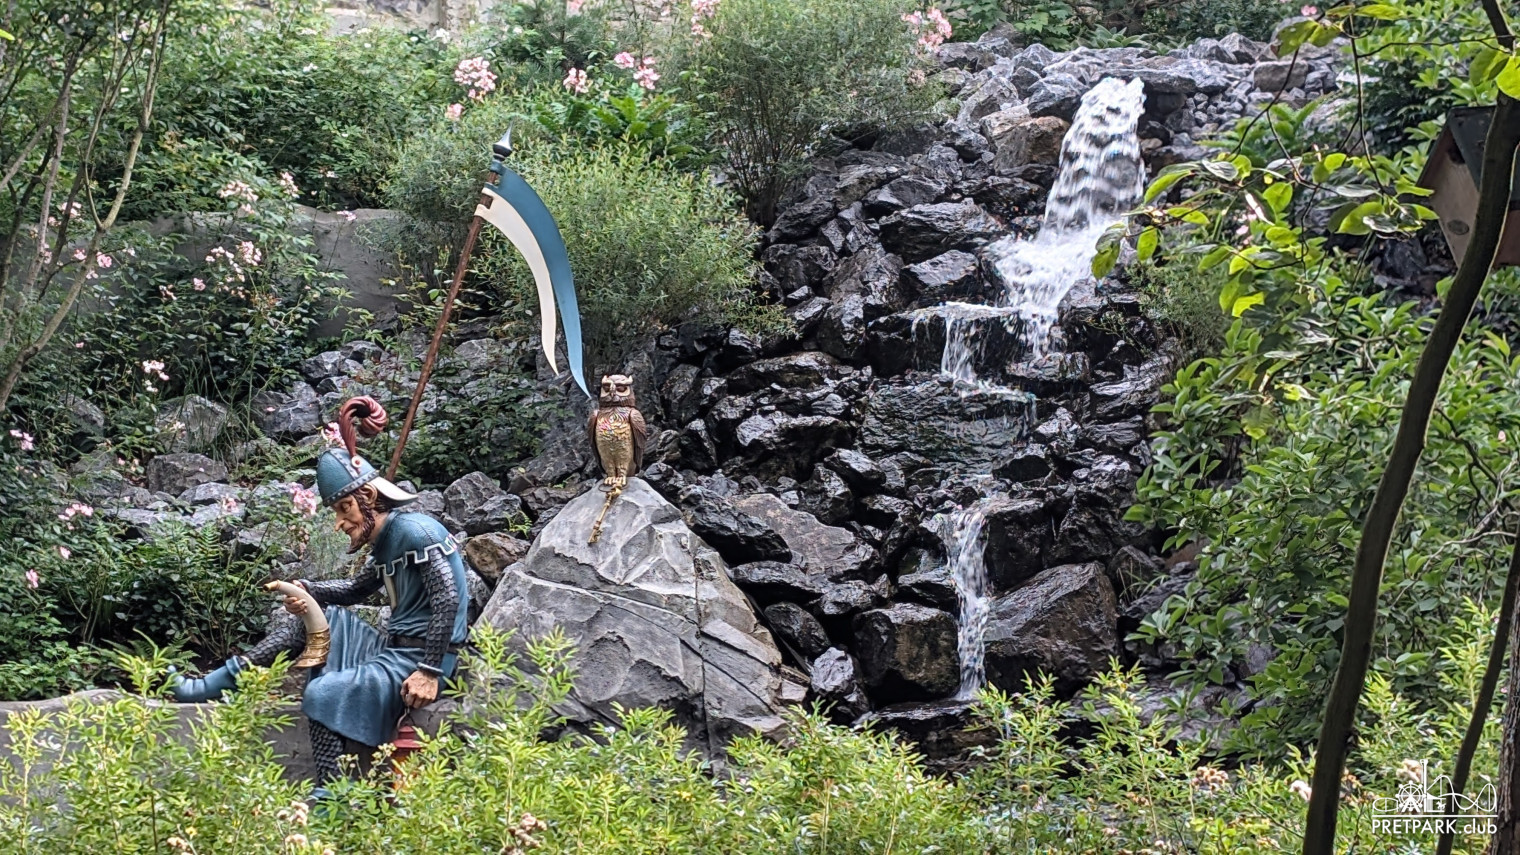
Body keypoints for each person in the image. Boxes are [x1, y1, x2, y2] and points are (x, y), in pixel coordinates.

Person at [170, 396, 469, 797]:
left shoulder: (416, 531)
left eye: (345, 508)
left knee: (322, 691)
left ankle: (333, 795)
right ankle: (217, 683)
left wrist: (429, 671)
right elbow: (356, 589)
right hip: (395, 651)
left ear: (369, 497)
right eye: (338, 511)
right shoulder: (387, 541)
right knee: (315, 619)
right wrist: (308, 590)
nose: (340, 522)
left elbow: (447, 599)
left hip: (419, 660)